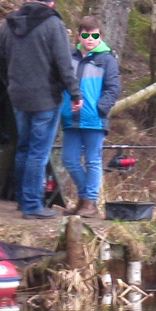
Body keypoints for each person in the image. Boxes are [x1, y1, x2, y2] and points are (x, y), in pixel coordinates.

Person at [0, 0, 82, 219]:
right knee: (38, 152)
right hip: (46, 98)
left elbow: (0, 62)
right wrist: (75, 94)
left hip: (18, 96)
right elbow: (64, 65)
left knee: (23, 148)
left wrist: (11, 84)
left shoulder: (8, 24)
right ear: (51, 4)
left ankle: (22, 201)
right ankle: (32, 205)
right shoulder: (54, 25)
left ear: (27, 0)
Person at [60, 16, 121, 218]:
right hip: (70, 116)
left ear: (100, 36)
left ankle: (89, 202)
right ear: (79, 36)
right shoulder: (69, 56)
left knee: (93, 161)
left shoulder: (107, 60)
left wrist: (99, 108)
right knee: (69, 159)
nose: (89, 39)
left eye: (94, 35)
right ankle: (85, 198)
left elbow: (113, 89)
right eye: (85, 35)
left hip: (94, 119)